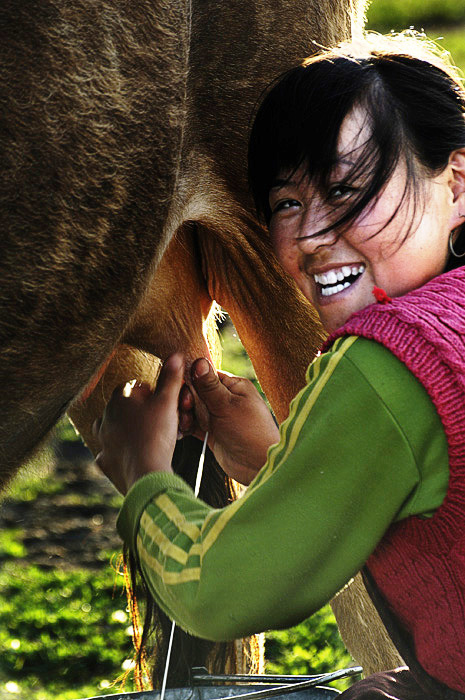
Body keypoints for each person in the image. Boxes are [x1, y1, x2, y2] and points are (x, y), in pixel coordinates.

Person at [94, 33, 465, 699]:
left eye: (348, 187)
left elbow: (224, 592)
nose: (313, 236)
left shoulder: (390, 360)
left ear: (457, 183)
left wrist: (142, 472)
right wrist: (276, 460)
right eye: (286, 204)